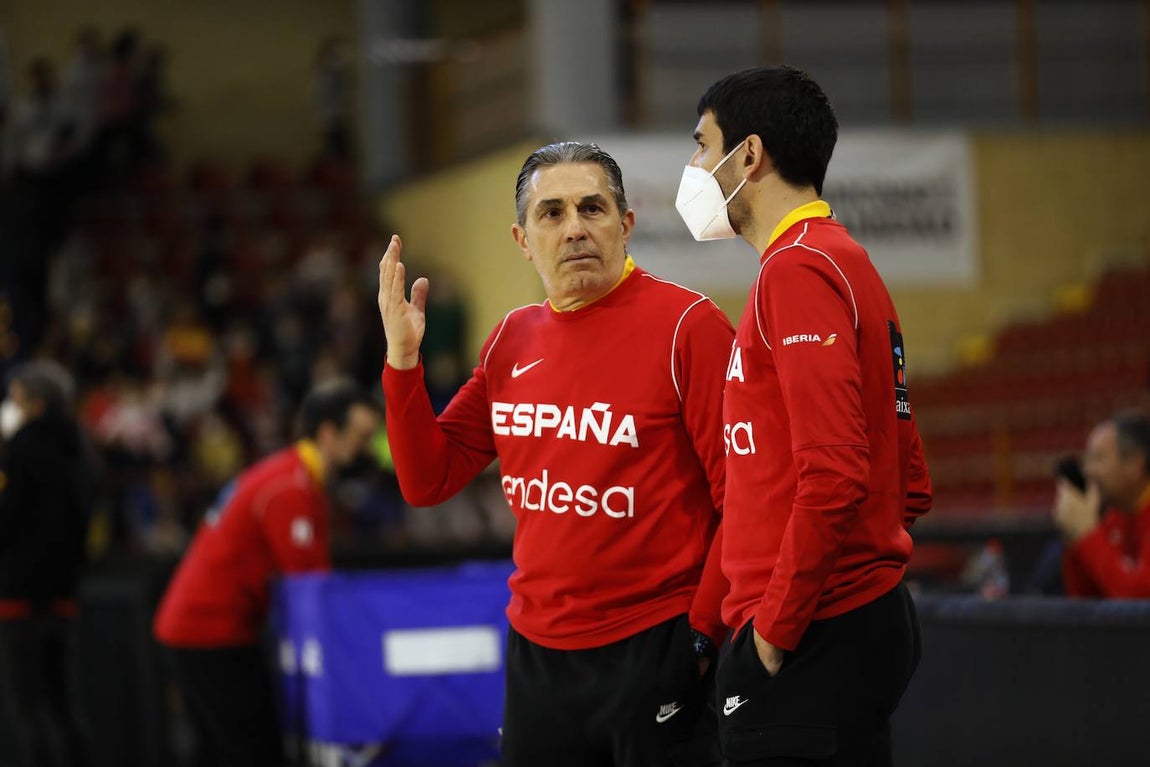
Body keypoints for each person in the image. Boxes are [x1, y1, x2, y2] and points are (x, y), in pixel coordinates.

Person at [377, 141, 733, 767]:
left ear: (625, 225)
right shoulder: (512, 338)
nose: (574, 229)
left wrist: (702, 634)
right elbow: (426, 480)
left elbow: (747, 500)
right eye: (552, 213)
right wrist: (403, 363)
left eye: (592, 209)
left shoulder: (689, 327)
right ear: (522, 238)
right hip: (538, 655)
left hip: (656, 642)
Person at [675, 66, 932, 766]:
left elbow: (838, 471)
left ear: (749, 155)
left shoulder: (797, 270)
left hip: (809, 632)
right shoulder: (844, 260)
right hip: (843, 619)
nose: (693, 168)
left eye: (702, 146)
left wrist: (773, 629)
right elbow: (910, 476)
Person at [153, 378, 381, 767]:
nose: (367, 451)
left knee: (223, 749)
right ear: (328, 434)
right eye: (360, 439)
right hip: (208, 632)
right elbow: (311, 588)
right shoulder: (290, 488)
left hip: (207, 629)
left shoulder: (291, 477)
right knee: (253, 751)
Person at [0, 359, 92, 767]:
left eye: (16, 397)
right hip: (64, 593)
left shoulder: (19, 451)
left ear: (36, 403)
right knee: (64, 702)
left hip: (19, 594)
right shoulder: (78, 450)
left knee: (28, 706)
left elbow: (7, 519)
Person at [1054, 409, 1150, 597]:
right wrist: (1074, 538)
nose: (1088, 471)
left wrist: (1087, 535)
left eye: (1098, 458)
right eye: (1087, 460)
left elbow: (1139, 603)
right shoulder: (1115, 516)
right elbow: (1086, 600)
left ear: (1134, 464)